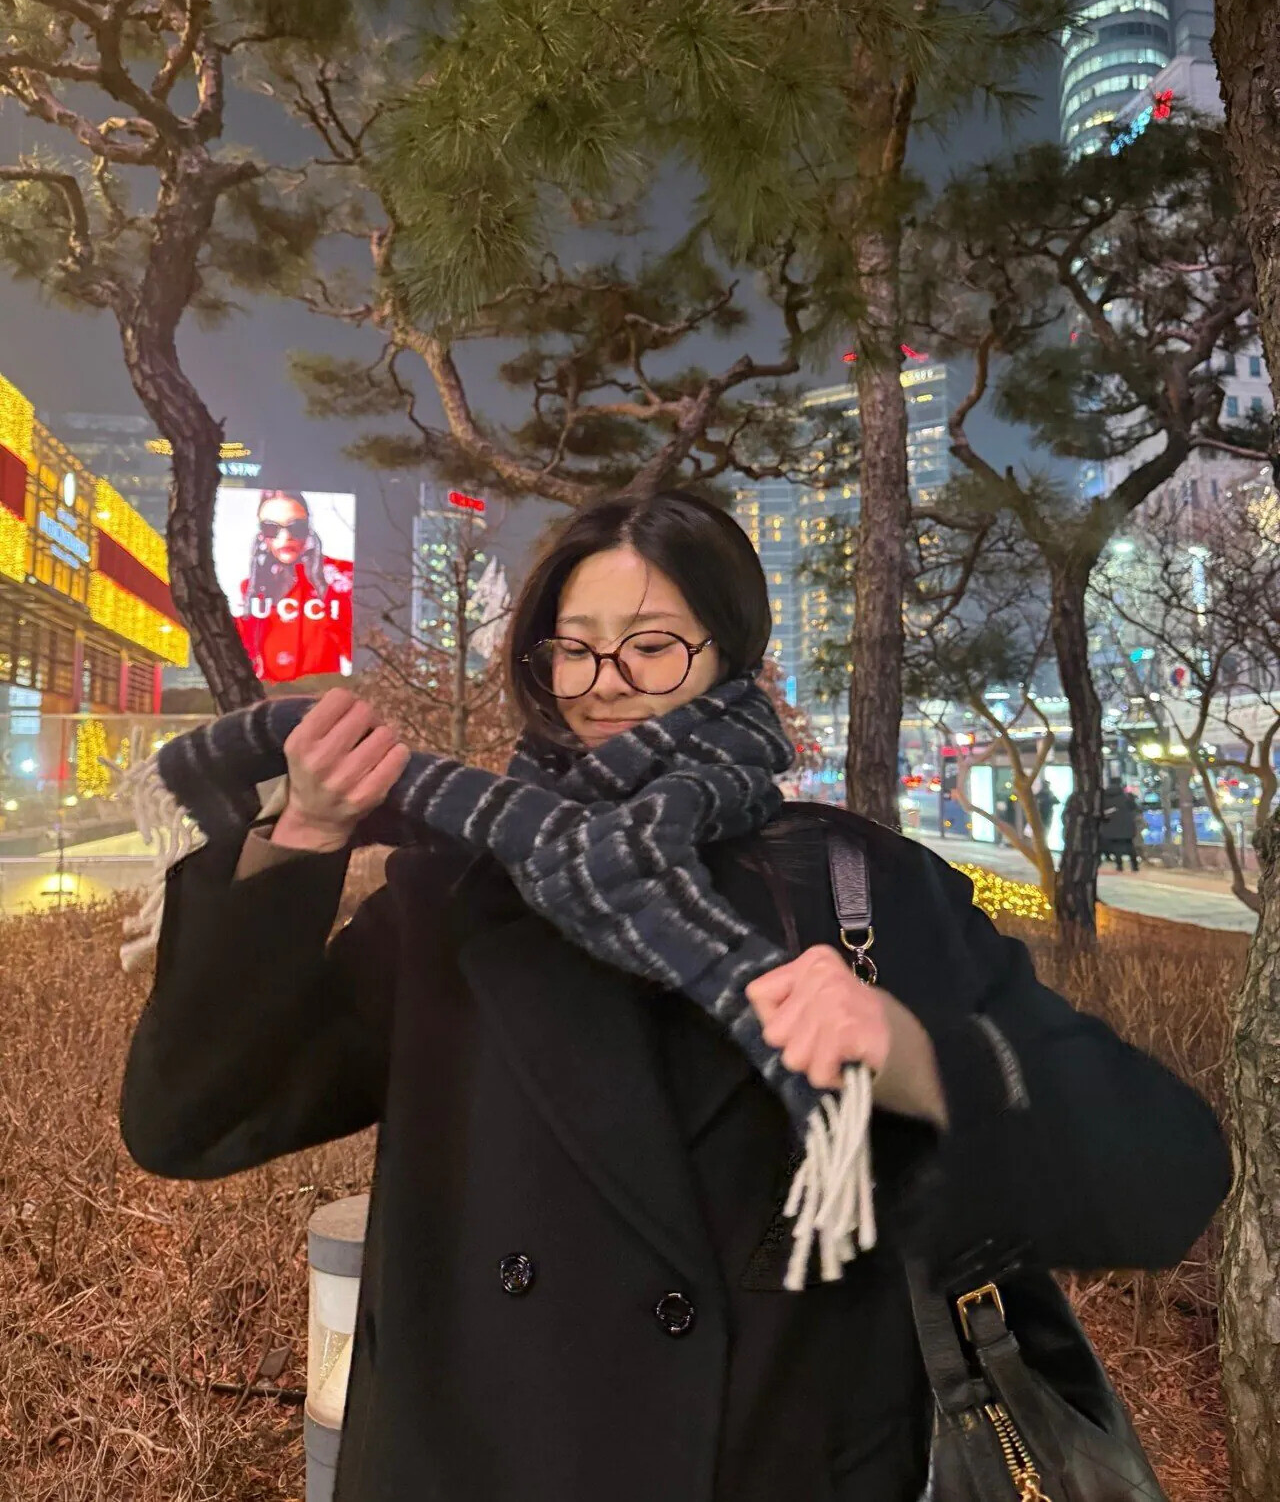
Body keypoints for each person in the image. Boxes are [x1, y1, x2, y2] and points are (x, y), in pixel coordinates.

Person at [120, 490, 1228, 1502]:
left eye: (651, 646)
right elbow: (192, 1121)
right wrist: (302, 835)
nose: (605, 682)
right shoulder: (453, 896)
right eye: (574, 649)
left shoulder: (864, 887)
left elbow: (1164, 1169)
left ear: (728, 656)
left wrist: (918, 1058)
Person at [236, 489, 353, 682]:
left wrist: (323, 588)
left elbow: (356, 649)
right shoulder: (253, 586)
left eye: (296, 527)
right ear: (261, 535)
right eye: (271, 528)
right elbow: (241, 656)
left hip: (322, 692)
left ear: (308, 529)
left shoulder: (342, 574)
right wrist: (253, 592)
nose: (285, 537)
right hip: (270, 694)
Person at [1100, 778, 1142, 872]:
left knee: (1116, 847)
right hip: (1127, 825)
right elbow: (1134, 808)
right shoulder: (1126, 796)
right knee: (1130, 845)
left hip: (1111, 825)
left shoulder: (1104, 797)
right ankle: (1134, 866)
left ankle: (1119, 866)